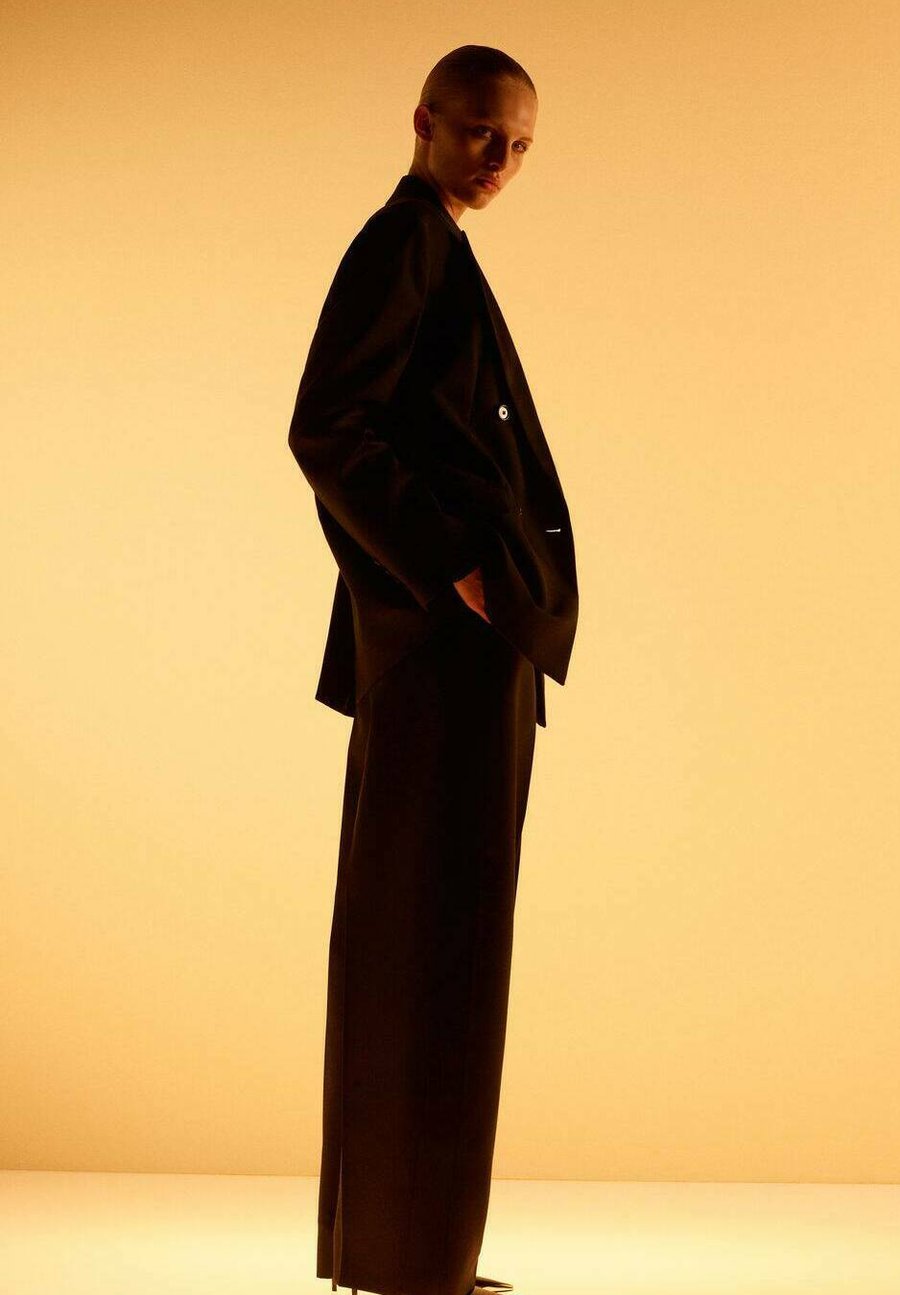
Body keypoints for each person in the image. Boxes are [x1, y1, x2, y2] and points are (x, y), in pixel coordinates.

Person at [287, 44, 578, 1295]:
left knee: (435, 938)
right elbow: (325, 426)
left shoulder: (434, 247)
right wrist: (453, 564)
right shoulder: (404, 242)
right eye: (478, 133)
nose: (498, 160)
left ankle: (413, 1256)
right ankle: (411, 1264)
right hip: (441, 646)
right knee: (428, 940)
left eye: (518, 144)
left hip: (459, 647)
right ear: (425, 120)